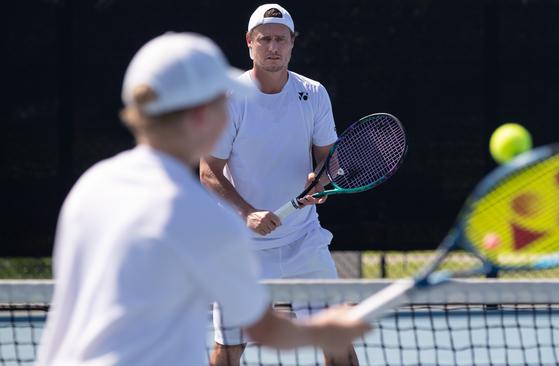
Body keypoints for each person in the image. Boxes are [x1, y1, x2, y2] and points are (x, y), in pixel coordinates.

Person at [36, 32, 368, 366]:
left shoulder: (90, 189)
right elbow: (265, 330)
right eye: (219, 105)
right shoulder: (200, 216)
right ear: (199, 115)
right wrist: (326, 330)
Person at [200, 4, 360, 366]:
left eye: (280, 40)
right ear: (249, 43)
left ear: (292, 44)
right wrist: (247, 213)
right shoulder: (229, 99)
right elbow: (208, 171)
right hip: (243, 248)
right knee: (228, 350)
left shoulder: (313, 93)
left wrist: (321, 178)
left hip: (305, 241)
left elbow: (327, 158)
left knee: (338, 340)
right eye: (265, 39)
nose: (273, 47)